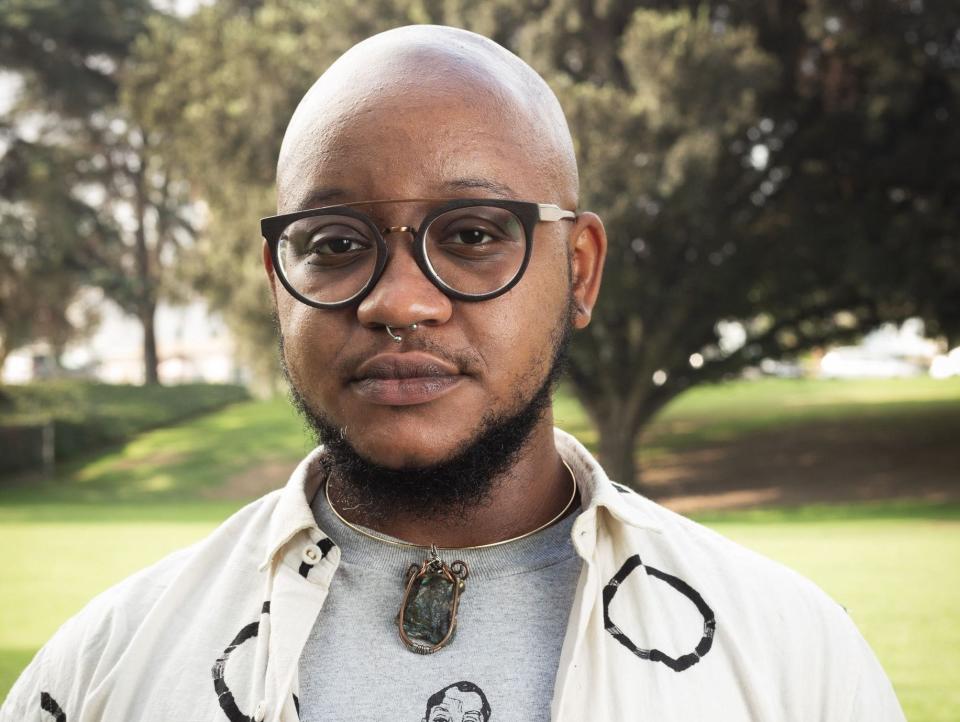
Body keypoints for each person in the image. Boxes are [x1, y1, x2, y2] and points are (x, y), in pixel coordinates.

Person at [1, 24, 905, 722]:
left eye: (473, 235)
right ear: (278, 280)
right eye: (334, 244)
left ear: (579, 271)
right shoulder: (108, 666)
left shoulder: (787, 654)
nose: (400, 301)